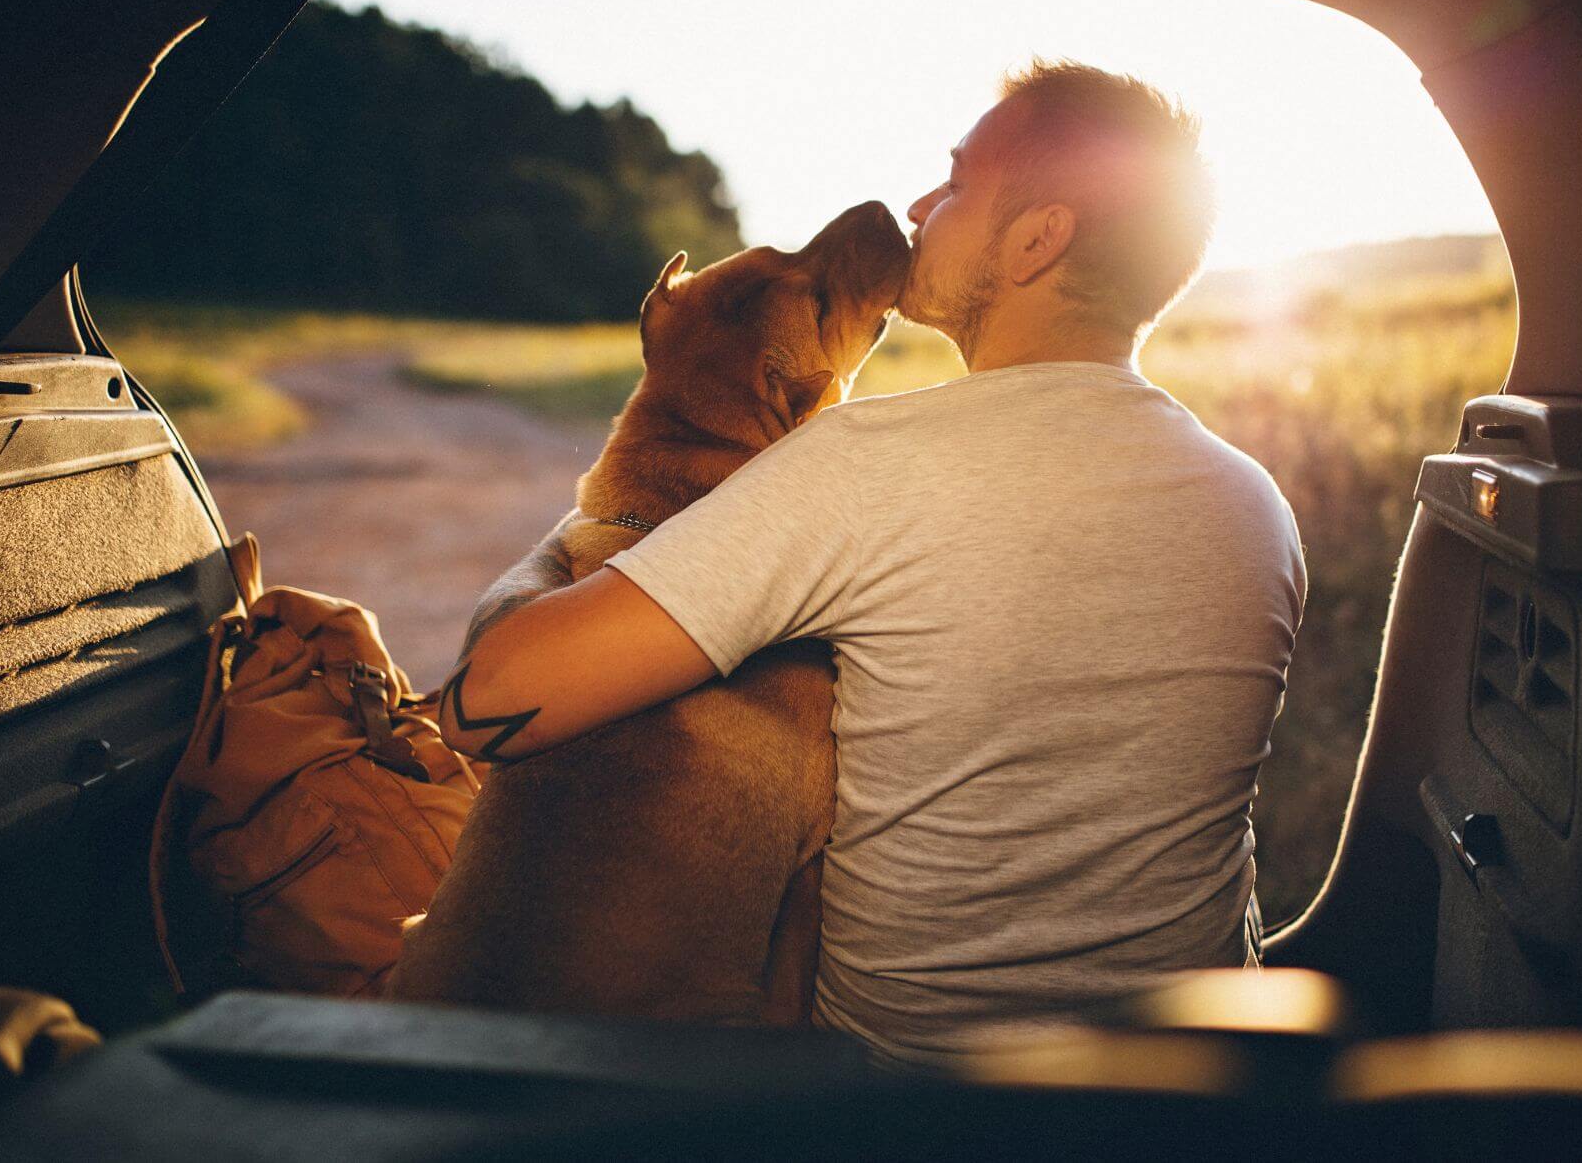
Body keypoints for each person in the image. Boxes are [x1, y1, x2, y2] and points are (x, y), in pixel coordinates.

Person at [438, 60, 1306, 1066]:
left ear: (1036, 237)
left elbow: (483, 703)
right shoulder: (1255, 502)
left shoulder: (861, 467)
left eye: (955, 183)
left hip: (909, 1101)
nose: (917, 206)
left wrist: (571, 545)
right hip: (1189, 1092)